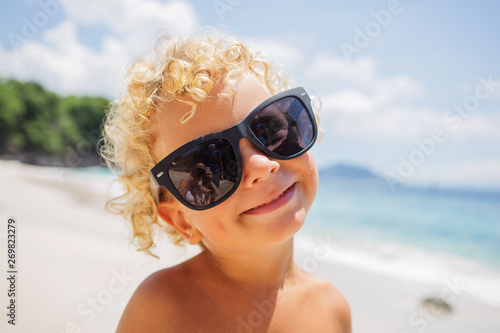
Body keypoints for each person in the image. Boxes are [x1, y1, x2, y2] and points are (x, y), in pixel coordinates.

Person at [100, 29, 351, 332]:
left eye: (270, 129)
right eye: (208, 165)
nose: (261, 165)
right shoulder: (161, 308)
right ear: (181, 220)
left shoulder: (332, 310)